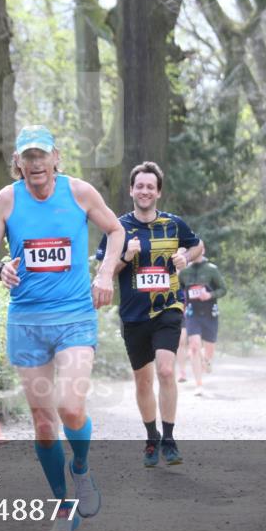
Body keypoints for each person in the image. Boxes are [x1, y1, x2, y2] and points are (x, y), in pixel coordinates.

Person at [0, 125, 124, 531]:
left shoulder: (79, 193)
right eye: (28, 156)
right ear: (17, 162)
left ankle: (81, 469)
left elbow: (116, 230)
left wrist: (106, 272)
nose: (36, 164)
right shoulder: (6, 199)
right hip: (27, 321)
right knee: (43, 422)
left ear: (56, 157)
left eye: (42, 156)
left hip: (75, 316)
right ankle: (63, 505)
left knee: (70, 407)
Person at [96, 161, 202, 468]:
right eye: (139, 186)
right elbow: (105, 271)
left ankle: (169, 439)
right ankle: (151, 438)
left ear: (158, 192)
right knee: (143, 381)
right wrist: (125, 256)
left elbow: (198, 246)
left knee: (166, 370)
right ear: (131, 190)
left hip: (168, 307)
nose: (144, 191)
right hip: (133, 314)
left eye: (150, 187)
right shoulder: (117, 228)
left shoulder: (174, 224)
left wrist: (185, 254)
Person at [179, 246, 227, 395]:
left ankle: (207, 360)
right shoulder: (185, 272)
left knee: (209, 347)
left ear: (203, 250)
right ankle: (198, 384)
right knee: (194, 346)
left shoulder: (212, 269)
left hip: (209, 314)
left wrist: (210, 295)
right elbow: (180, 292)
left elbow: (223, 289)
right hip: (192, 313)